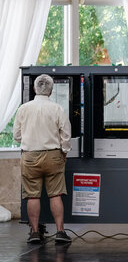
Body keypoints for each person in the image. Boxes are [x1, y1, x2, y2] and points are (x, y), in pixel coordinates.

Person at [13, 74, 72, 244]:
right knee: (55, 195)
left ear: (34, 89)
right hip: (53, 155)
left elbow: (17, 135)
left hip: (30, 156)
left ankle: (34, 233)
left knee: (32, 196)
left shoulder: (23, 109)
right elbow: (66, 135)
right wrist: (64, 152)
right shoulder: (57, 109)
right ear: (51, 90)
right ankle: (60, 232)